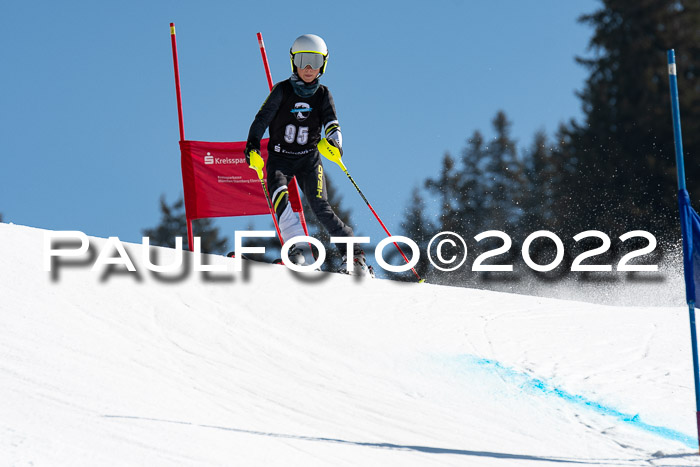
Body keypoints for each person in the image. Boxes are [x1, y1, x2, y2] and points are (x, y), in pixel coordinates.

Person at [244, 34, 371, 275]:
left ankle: (353, 255)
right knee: (280, 197)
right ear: (294, 62)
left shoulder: (323, 94)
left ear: (324, 63)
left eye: (315, 61)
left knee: (319, 205)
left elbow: (333, 123)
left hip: (309, 159)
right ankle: (299, 248)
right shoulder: (282, 90)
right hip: (280, 158)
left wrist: (335, 144)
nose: (309, 68)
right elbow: (261, 119)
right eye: (303, 61)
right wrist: (252, 146)